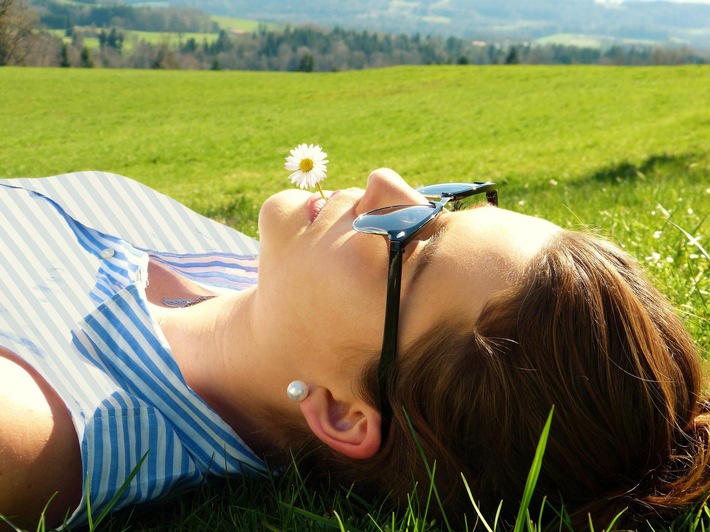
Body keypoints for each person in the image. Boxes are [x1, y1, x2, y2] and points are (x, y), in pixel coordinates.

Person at [0, 168, 706, 530]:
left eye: (405, 245)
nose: (386, 184)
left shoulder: (41, 422)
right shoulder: (255, 273)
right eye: (445, 205)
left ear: (343, 413)